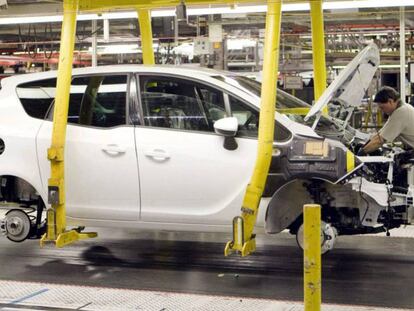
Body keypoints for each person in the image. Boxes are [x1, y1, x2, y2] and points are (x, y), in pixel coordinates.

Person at [359, 86, 414, 155]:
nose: (382, 110)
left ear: (390, 101)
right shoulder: (399, 109)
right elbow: (380, 135)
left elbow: (380, 140)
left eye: (382, 107)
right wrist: (365, 145)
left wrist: (361, 153)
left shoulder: (402, 112)